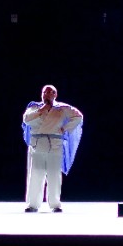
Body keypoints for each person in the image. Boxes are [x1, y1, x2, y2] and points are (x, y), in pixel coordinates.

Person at [21, 84, 83, 212]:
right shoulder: (34, 107)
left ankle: (55, 204)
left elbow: (78, 117)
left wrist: (65, 128)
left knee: (54, 174)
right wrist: (42, 110)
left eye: (50, 92)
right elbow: (26, 120)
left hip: (54, 144)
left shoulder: (62, 108)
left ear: (55, 95)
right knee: (35, 174)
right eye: (45, 92)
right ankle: (33, 204)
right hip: (37, 144)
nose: (47, 95)